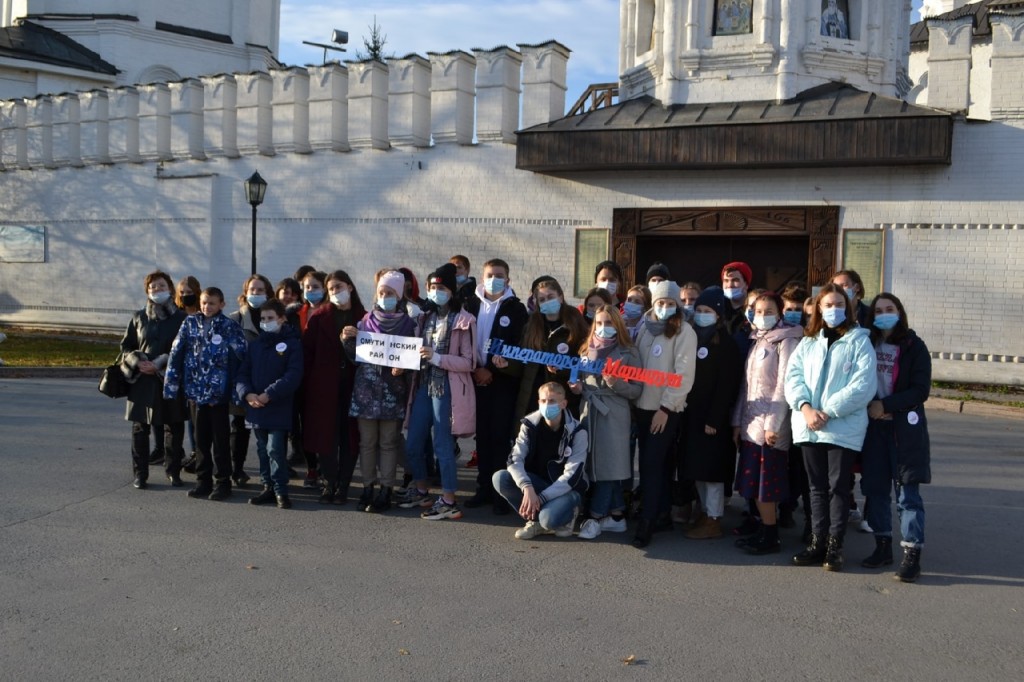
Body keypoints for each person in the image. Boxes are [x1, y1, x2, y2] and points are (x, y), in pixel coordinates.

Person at [785, 283, 876, 571]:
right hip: (809, 424)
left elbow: (863, 385)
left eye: (839, 305)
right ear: (819, 309)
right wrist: (805, 408)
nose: (833, 310)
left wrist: (827, 411)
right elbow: (793, 377)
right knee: (816, 488)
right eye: (828, 305)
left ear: (847, 308)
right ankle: (817, 541)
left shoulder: (859, 341)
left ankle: (835, 545)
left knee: (838, 487)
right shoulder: (809, 342)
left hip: (841, 426)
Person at [859, 293, 931, 583]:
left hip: (903, 431)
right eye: (878, 311)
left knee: (907, 494)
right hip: (873, 429)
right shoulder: (867, 343)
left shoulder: (915, 346)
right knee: (876, 490)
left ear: (899, 312)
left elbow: (920, 390)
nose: (884, 314)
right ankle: (882, 545)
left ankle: (912, 553)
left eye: (889, 309)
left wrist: (886, 405)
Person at [399, 263, 477, 521]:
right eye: (432, 287)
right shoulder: (425, 316)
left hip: (446, 389)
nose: (436, 292)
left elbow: (470, 362)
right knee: (413, 442)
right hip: (423, 386)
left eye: (441, 288)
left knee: (442, 446)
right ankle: (421, 490)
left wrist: (438, 358)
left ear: (452, 291)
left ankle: (449, 500)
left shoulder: (464, 320)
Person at [732, 291, 804, 554]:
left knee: (766, 486)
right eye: (758, 311)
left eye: (769, 311)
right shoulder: (758, 339)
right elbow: (746, 386)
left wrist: (773, 424)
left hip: (770, 427)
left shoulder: (787, 340)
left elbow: (784, 386)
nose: (762, 316)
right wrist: (737, 421)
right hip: (751, 424)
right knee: (753, 484)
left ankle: (771, 536)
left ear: (780, 312)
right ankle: (763, 529)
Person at [342, 269, 418, 513]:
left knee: (388, 443)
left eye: (390, 293)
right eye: (382, 292)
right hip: (366, 393)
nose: (385, 297)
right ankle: (367, 487)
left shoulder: (409, 324)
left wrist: (404, 368)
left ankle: (386, 489)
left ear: (399, 295)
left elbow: (414, 357)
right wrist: (347, 340)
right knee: (367, 443)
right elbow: (355, 358)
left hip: (392, 394)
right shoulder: (365, 321)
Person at [164, 287, 247, 501]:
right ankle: (203, 480)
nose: (206, 307)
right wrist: (171, 384)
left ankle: (223, 482)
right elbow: (176, 353)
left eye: (211, 303)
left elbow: (241, 356)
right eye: (203, 302)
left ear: (221, 304)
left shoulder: (229, 326)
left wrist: (236, 390)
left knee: (220, 440)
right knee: (200, 440)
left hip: (218, 395)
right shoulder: (190, 323)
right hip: (195, 392)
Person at [632, 280, 697, 548]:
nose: (665, 307)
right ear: (653, 303)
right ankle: (661, 513)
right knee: (658, 464)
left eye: (671, 303)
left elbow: (684, 375)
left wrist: (666, 408)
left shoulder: (684, 331)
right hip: (642, 406)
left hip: (665, 410)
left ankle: (646, 521)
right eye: (661, 302)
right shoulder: (644, 328)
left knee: (650, 464)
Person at [463, 258, 529, 513]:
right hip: (474, 377)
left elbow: (517, 345)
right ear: (482, 277)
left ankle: (501, 493)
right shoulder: (470, 304)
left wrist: (491, 369)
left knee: (500, 437)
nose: (494, 279)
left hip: (502, 381)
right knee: (482, 437)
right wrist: (476, 369)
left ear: (508, 280)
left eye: (499, 275)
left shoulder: (516, 309)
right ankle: (483, 488)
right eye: (490, 275)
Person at [572, 306, 643, 540]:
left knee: (609, 467)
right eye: (600, 323)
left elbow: (637, 390)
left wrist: (616, 383)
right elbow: (579, 379)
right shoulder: (586, 349)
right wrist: (577, 388)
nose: (604, 328)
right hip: (589, 411)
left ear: (618, 325)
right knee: (594, 465)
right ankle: (617, 516)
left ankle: (594, 517)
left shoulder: (629, 352)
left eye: (610, 323)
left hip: (613, 413)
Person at [677, 287, 742, 541]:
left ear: (718, 315)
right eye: (699, 310)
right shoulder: (692, 338)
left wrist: (715, 419)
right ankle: (704, 513)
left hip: (713, 420)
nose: (702, 315)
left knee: (712, 472)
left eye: (708, 311)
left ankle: (714, 518)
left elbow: (727, 386)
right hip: (693, 416)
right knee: (698, 470)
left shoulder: (726, 344)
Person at [492, 382, 589, 539]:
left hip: (567, 489)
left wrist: (541, 498)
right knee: (500, 478)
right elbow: (514, 459)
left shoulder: (578, 432)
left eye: (552, 401)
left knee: (548, 520)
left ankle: (569, 513)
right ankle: (535, 520)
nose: (547, 405)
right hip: (538, 483)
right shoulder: (529, 425)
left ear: (563, 404)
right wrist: (527, 487)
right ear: (538, 402)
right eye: (543, 401)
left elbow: (572, 475)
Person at [303, 270, 367, 505]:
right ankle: (329, 483)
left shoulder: (364, 317)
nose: (335, 292)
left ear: (350, 287)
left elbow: (374, 351)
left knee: (350, 438)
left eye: (338, 287)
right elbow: (307, 354)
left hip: (354, 386)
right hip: (324, 387)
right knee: (326, 437)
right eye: (331, 289)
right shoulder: (319, 318)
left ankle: (343, 486)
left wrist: (361, 337)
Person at [119, 271, 188, 489]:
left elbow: (185, 350)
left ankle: (173, 471)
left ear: (170, 288)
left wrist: (159, 364)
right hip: (142, 381)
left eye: (161, 286)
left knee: (174, 426)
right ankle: (140, 474)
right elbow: (126, 347)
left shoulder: (182, 318)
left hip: (170, 380)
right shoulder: (139, 317)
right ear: (147, 291)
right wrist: (138, 361)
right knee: (140, 428)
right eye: (153, 287)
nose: (157, 290)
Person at [236, 299, 303, 509]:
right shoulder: (255, 345)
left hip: (278, 406)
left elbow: (293, 375)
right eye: (263, 318)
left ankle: (280, 490)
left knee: (275, 449)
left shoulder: (292, 344)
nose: (266, 322)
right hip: (256, 405)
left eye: (270, 318)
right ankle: (267, 487)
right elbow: (243, 373)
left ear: (281, 319)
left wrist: (269, 394)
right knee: (262, 449)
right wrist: (247, 394)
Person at [509, 277, 588, 419]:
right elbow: (522, 360)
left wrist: (563, 368)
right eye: (542, 299)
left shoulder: (575, 324)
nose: (547, 301)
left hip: (563, 395)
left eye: (551, 297)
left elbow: (584, 360)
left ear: (561, 297)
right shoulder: (531, 325)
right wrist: (505, 364)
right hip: (534, 394)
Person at [227, 274, 276, 486]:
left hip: (266, 383)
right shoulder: (235, 319)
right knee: (239, 428)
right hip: (242, 382)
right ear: (245, 293)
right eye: (252, 290)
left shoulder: (274, 318)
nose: (255, 294)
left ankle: (272, 473)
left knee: (267, 430)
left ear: (268, 293)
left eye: (260, 290)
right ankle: (237, 469)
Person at [175, 275, 201, 473]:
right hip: (179, 371)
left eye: (189, 292)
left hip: (198, 373)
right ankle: (172, 453)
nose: (185, 296)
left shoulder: (203, 314)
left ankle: (196, 451)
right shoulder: (176, 315)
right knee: (177, 415)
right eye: (182, 292)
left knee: (195, 417)